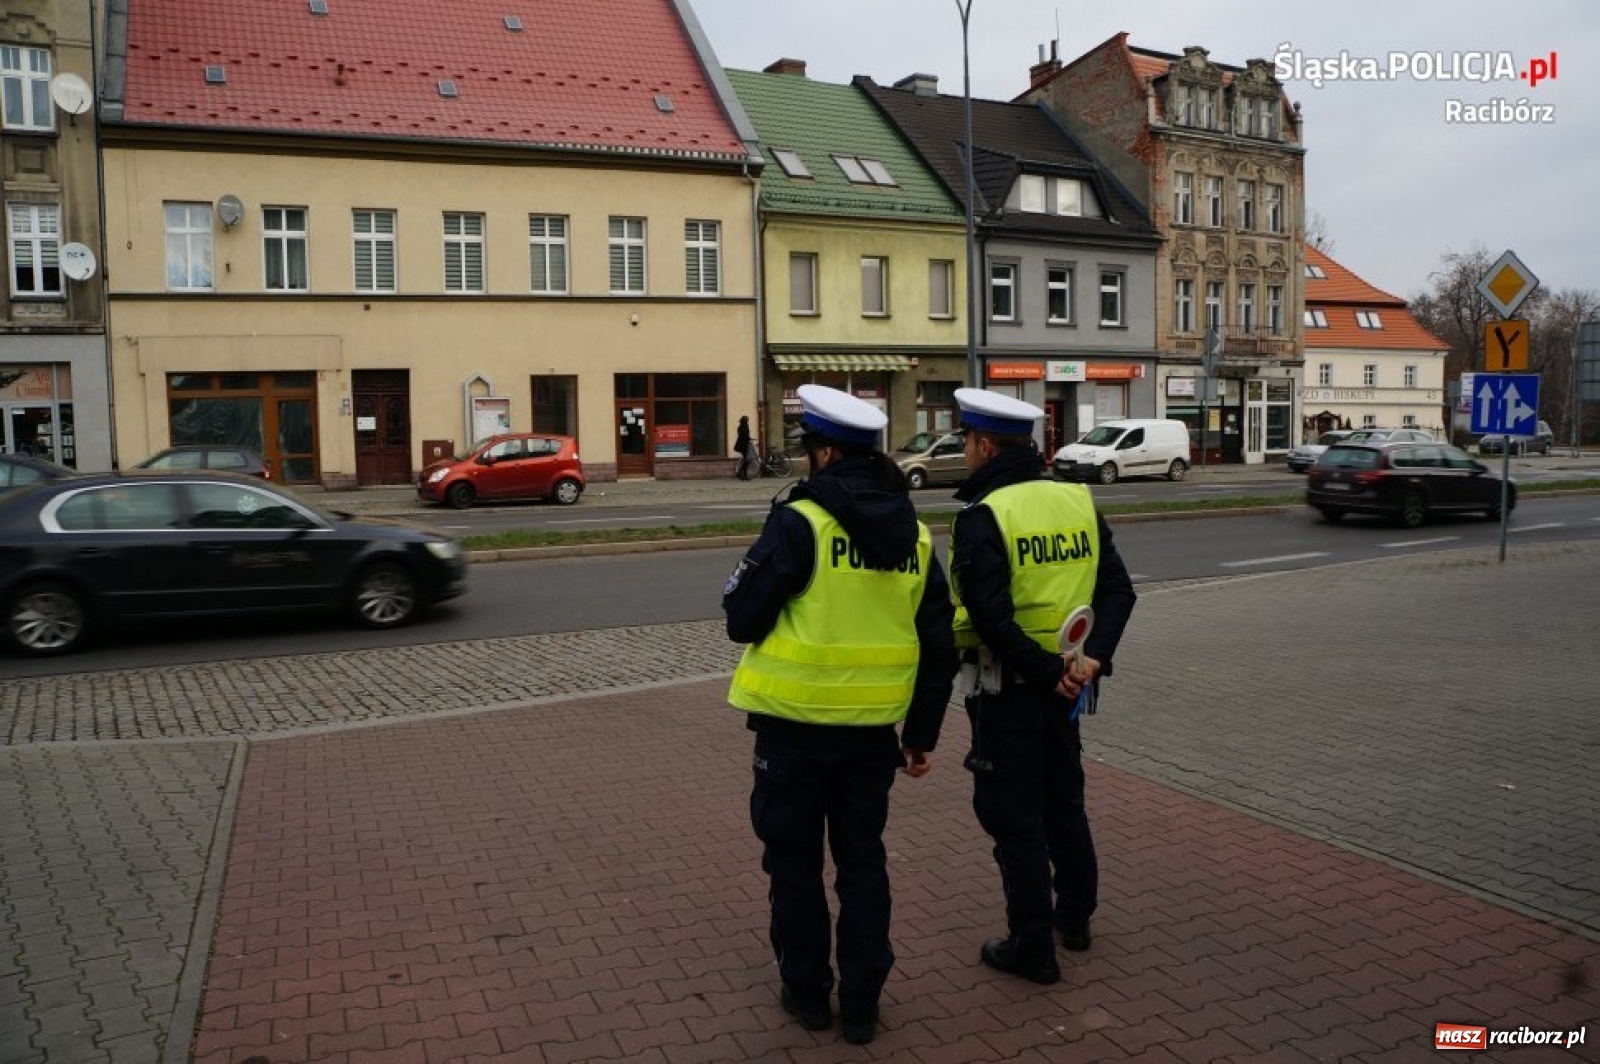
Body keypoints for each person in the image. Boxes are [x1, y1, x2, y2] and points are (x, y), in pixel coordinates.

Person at [723, 384, 957, 1045]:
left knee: (794, 868)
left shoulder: (799, 522)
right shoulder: (914, 535)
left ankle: (807, 994)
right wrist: (921, 735)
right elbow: (938, 643)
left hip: (791, 734)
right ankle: (861, 1005)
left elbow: (742, 619)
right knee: (863, 866)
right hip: (871, 738)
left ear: (824, 455)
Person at [947, 388, 1136, 985]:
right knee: (1065, 803)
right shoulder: (1078, 500)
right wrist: (1092, 661)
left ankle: (1033, 946)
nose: (966, 454)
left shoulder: (985, 515)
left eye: (965, 444)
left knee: (1015, 819)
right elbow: (1118, 592)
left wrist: (1049, 673)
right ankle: (1074, 919)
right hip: (1070, 688)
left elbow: (989, 619)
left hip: (1012, 692)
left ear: (982, 444)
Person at [734, 415, 757, 480]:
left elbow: (742, 435)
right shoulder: (745, 426)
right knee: (747, 460)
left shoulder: (740, 426)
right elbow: (745, 436)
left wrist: (750, 438)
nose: (748, 421)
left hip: (741, 445)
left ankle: (743, 475)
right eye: (747, 420)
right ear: (745, 420)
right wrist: (750, 439)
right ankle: (743, 474)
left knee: (746, 460)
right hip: (744, 446)